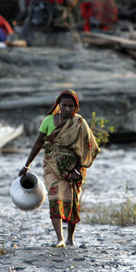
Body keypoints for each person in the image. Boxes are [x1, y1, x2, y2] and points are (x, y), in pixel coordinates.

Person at [18, 89, 99, 248]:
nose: (68, 109)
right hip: (52, 166)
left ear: (76, 107)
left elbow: (89, 147)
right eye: (64, 105)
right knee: (54, 196)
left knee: (72, 200)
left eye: (71, 106)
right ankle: (59, 238)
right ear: (59, 105)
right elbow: (38, 143)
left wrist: (77, 170)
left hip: (73, 169)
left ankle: (70, 238)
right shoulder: (48, 120)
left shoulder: (79, 123)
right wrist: (26, 165)